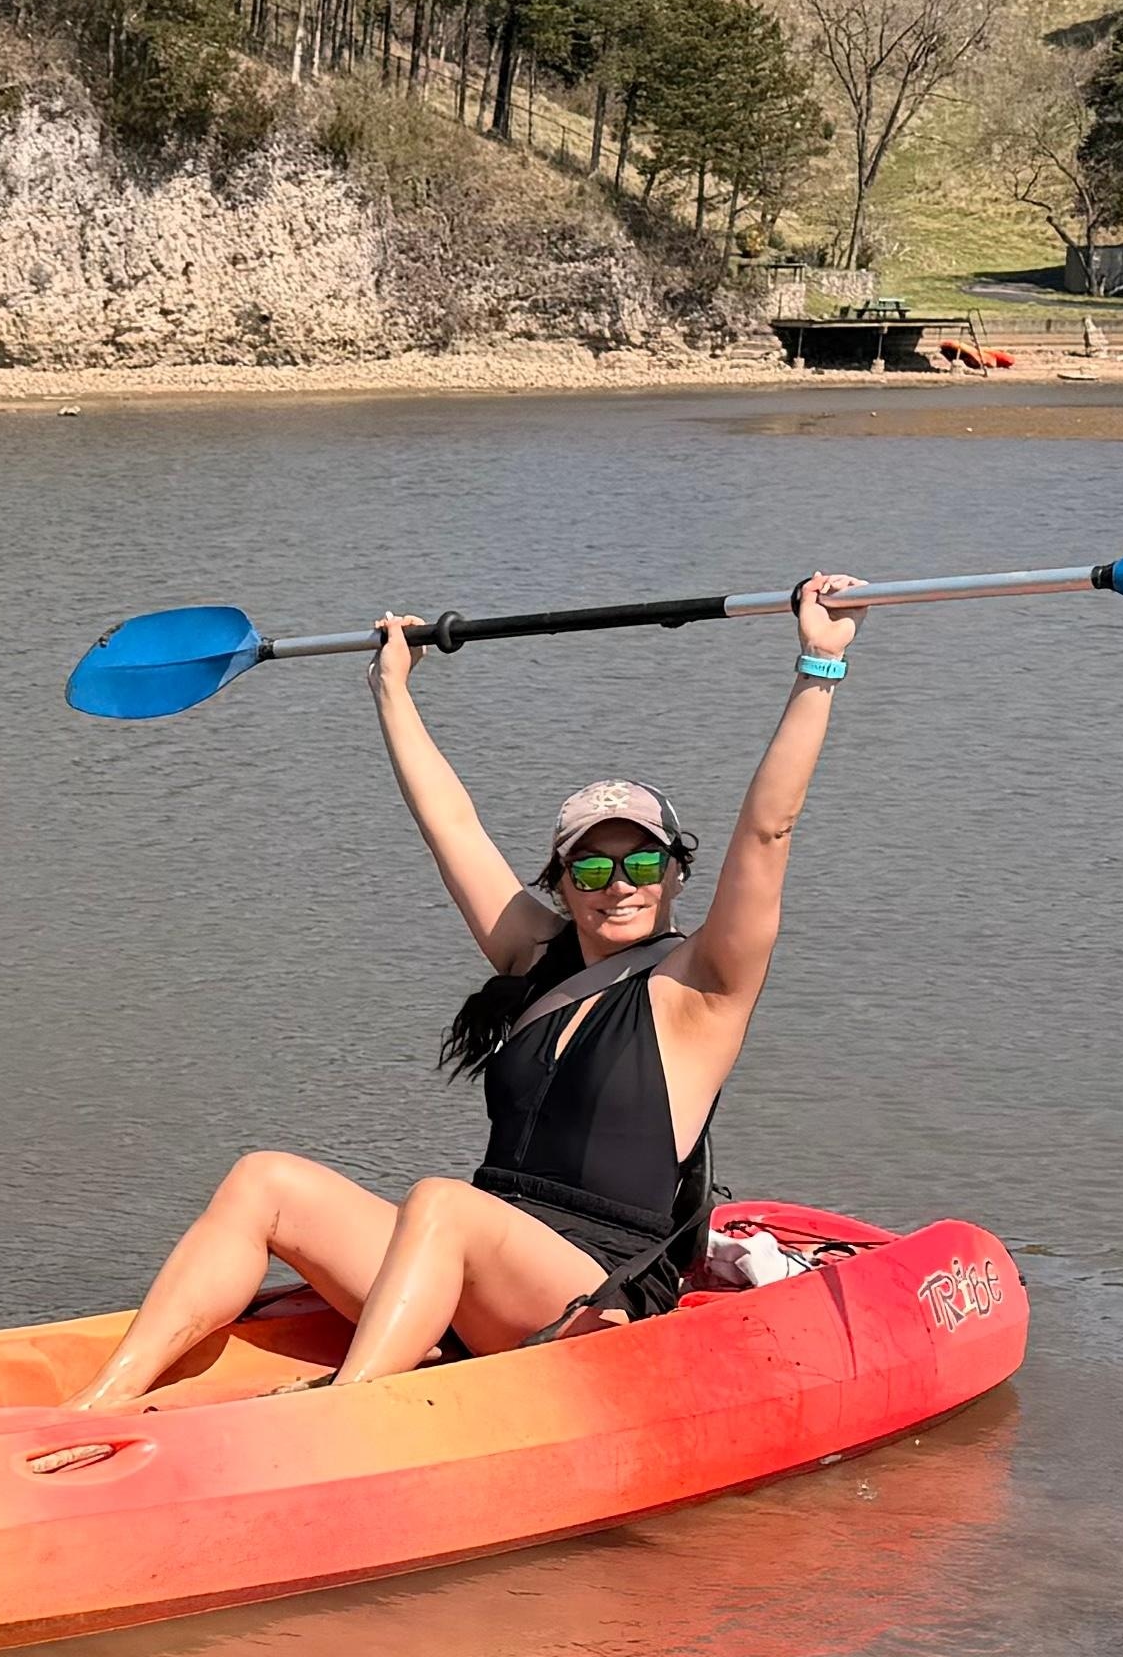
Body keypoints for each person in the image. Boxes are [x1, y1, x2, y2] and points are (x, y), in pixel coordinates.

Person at [62, 575, 866, 1410]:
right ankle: (99, 1400)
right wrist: (390, 689)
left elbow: (766, 833)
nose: (617, 885)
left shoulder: (701, 984)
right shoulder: (532, 954)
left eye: (642, 864)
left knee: (441, 1203)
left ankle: (345, 1413)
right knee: (265, 1179)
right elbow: (448, 822)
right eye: (590, 866)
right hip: (470, 1268)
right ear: (561, 882)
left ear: (673, 875)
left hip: (593, 1298)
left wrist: (818, 667)